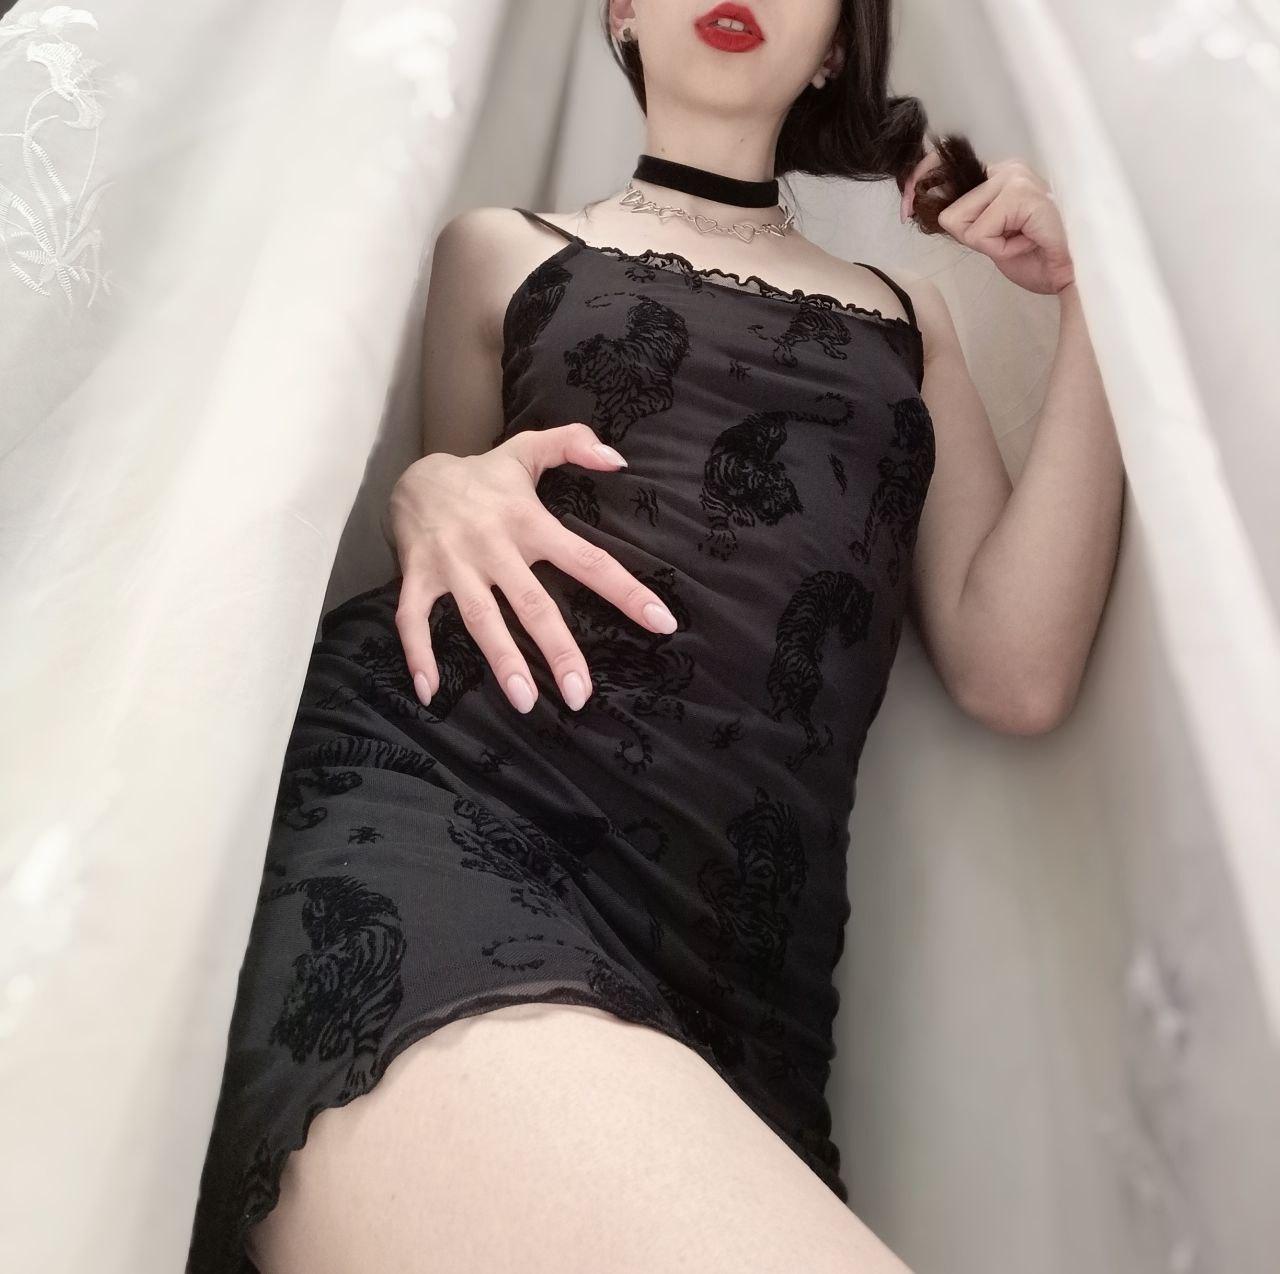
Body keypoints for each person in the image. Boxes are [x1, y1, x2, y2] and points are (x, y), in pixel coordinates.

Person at [185, 2, 1121, 1270]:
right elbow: (454, 552)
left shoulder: (911, 322)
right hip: (441, 807)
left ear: (834, 45)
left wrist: (1101, 303)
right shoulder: (498, 249)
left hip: (739, 970)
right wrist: (428, 490)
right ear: (622, 7)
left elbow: (1015, 668)